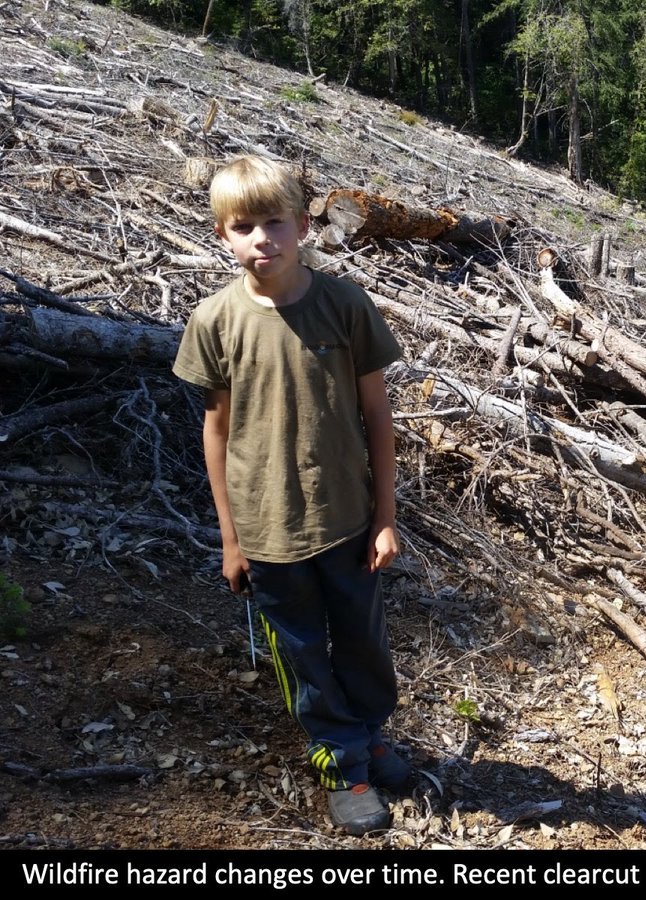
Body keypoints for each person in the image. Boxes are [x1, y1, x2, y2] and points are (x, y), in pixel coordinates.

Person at [173, 155, 410, 835]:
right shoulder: (215, 319)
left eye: (274, 223)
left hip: (347, 518)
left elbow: (377, 417)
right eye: (243, 227)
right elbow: (216, 429)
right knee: (302, 647)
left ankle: (368, 734)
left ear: (303, 225)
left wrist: (386, 519)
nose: (261, 240)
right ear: (223, 234)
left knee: (362, 639)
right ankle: (340, 760)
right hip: (267, 529)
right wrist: (232, 538)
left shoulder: (344, 306)